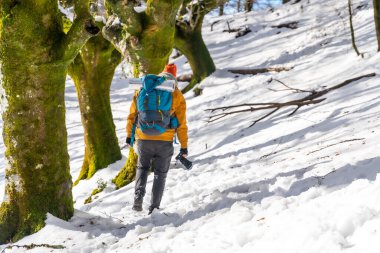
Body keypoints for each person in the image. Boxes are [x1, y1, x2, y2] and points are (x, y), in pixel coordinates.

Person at [126, 63, 188, 214]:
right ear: (174, 78)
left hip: (143, 137)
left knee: (142, 168)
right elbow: (181, 124)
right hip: (164, 141)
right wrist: (184, 146)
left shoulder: (144, 88)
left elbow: (132, 116)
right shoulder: (176, 94)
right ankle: (154, 208)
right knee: (160, 174)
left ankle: (137, 200)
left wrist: (129, 136)